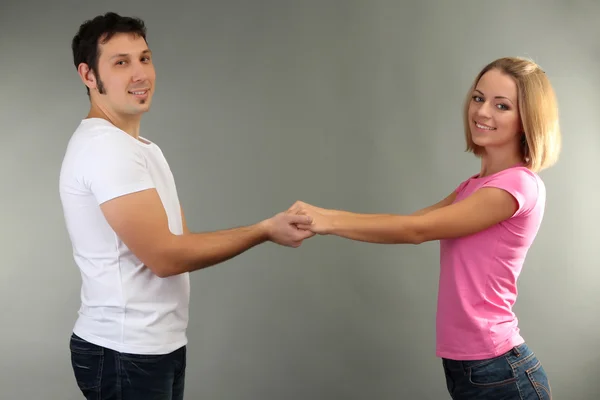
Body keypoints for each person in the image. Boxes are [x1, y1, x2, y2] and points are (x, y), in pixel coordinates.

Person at [59, 12, 314, 400]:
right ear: (88, 75)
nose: (140, 74)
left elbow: (179, 242)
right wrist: (264, 230)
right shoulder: (105, 148)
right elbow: (166, 257)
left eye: (144, 58)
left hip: (154, 345)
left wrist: (267, 228)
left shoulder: (142, 150)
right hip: (124, 350)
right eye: (121, 62)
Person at [289, 57, 560, 399]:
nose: (482, 112)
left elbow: (415, 231)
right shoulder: (472, 186)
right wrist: (322, 216)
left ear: (526, 120)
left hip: (501, 372)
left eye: (501, 105)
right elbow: (409, 223)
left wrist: (326, 220)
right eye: (478, 98)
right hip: (471, 370)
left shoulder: (517, 186)